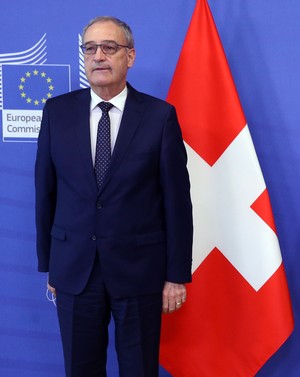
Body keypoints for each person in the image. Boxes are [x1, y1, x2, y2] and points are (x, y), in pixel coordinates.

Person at [35, 16, 193, 377]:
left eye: (109, 47)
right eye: (90, 48)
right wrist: (51, 263)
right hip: (75, 270)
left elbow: (177, 203)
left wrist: (175, 274)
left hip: (140, 272)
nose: (98, 56)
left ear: (130, 56)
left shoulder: (159, 117)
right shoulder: (56, 112)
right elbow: (45, 191)